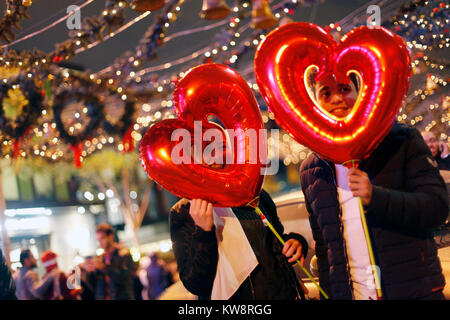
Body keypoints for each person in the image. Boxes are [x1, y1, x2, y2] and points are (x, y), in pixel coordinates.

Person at [299, 72, 448, 300]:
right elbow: (324, 247)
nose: (336, 99)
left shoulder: (401, 140)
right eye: (325, 93)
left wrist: (376, 198)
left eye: (344, 89)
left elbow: (437, 208)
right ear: (316, 103)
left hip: (412, 291)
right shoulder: (312, 170)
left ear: (360, 94)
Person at [170, 189, 309, 300]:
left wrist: (296, 242)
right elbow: (195, 283)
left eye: (223, 151)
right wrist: (204, 232)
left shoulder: (256, 194)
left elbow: (275, 240)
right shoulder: (185, 210)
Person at [93, 222, 137, 300]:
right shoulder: (101, 258)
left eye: (102, 238)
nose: (100, 243)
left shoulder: (123, 254)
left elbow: (124, 278)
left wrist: (103, 267)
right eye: (98, 240)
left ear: (111, 236)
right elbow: (95, 286)